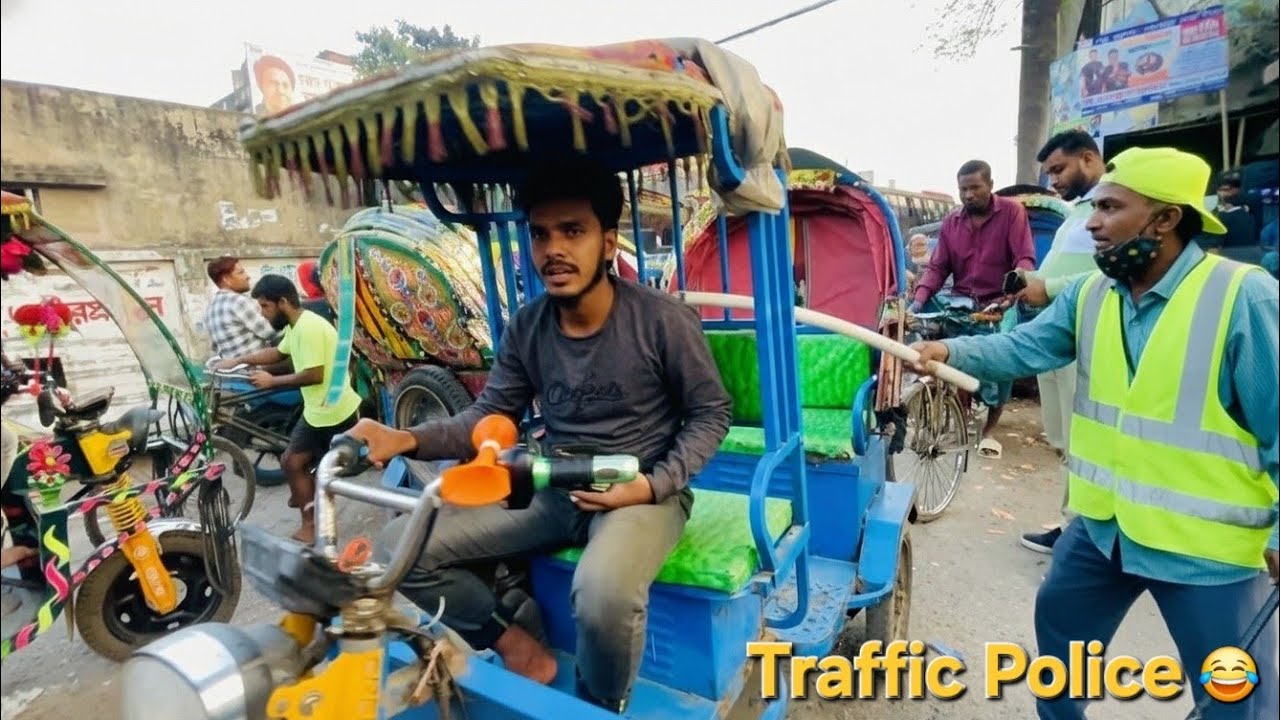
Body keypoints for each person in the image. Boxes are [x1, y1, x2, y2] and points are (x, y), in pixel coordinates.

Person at [345, 156, 733, 712]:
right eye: (541, 234)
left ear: (607, 241)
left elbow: (711, 413)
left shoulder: (662, 320)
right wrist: (403, 439)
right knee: (397, 548)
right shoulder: (528, 327)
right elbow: (488, 415)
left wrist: (652, 485)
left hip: (640, 493)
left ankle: (596, 705)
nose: (554, 249)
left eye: (573, 231)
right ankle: (517, 641)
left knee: (603, 594)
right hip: (552, 484)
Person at [911, 146, 1278, 720]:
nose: (1093, 224)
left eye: (1109, 208)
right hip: (1105, 528)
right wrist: (948, 349)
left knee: (1235, 695)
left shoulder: (1242, 296)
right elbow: (1024, 346)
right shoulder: (1092, 294)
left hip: (1206, 551)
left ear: (1165, 219)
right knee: (1060, 634)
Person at [1014, 130, 1108, 554]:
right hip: (1058, 332)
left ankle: (1081, 535)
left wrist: (1048, 288)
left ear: (1088, 158)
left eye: (1058, 169)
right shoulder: (1077, 211)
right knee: (1065, 439)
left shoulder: (1113, 207)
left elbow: (1110, 274)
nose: (1052, 180)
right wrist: (1029, 284)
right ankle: (1074, 524)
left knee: (1083, 438)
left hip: (1089, 333)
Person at [214, 275, 363, 543]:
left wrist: (272, 380)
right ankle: (308, 497)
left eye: (265, 307)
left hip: (331, 411)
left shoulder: (310, 328)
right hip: (319, 408)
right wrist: (241, 361)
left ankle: (311, 524)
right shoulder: (296, 326)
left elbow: (314, 374)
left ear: (283, 302)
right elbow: (279, 354)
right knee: (299, 464)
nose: (262, 314)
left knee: (293, 462)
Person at [909, 159, 1037, 457]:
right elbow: (938, 267)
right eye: (963, 189)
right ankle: (954, 412)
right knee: (944, 354)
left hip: (999, 302)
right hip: (961, 301)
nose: (968, 195)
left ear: (990, 185)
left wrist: (1015, 287)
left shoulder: (1011, 212)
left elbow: (1025, 258)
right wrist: (917, 301)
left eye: (975, 188)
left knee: (1002, 363)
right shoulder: (952, 222)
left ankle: (990, 429)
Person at [204, 256, 280, 360]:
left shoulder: (210, 309)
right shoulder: (238, 302)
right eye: (241, 273)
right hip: (254, 370)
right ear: (226, 279)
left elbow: (215, 347)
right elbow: (271, 332)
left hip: (231, 371)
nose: (247, 276)